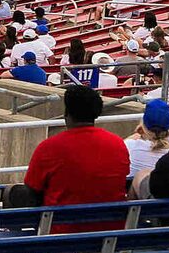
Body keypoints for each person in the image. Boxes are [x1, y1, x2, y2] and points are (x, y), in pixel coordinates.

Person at [24, 85, 130, 230]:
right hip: (112, 229)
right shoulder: (118, 143)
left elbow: (32, 190)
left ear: (67, 113)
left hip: (60, 232)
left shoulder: (48, 147)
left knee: (12, 193)